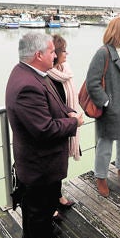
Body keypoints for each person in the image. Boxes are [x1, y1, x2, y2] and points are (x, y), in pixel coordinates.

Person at [5, 32, 83, 238]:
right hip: (40, 162)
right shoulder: (28, 84)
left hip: (34, 161)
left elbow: (53, 107)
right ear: (38, 54)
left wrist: (68, 112)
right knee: (40, 211)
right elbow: (43, 129)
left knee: (31, 207)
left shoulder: (30, 73)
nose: (55, 54)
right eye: (51, 51)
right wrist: (74, 123)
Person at [85, 17, 120, 197]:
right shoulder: (103, 53)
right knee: (105, 145)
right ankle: (101, 177)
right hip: (110, 110)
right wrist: (107, 102)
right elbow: (92, 82)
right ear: (119, 32)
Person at [48, 34, 79, 220]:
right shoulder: (47, 76)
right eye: (63, 50)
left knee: (60, 165)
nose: (67, 53)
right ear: (55, 54)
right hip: (56, 126)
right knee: (52, 167)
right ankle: (51, 205)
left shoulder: (65, 70)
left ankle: (58, 196)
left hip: (66, 124)